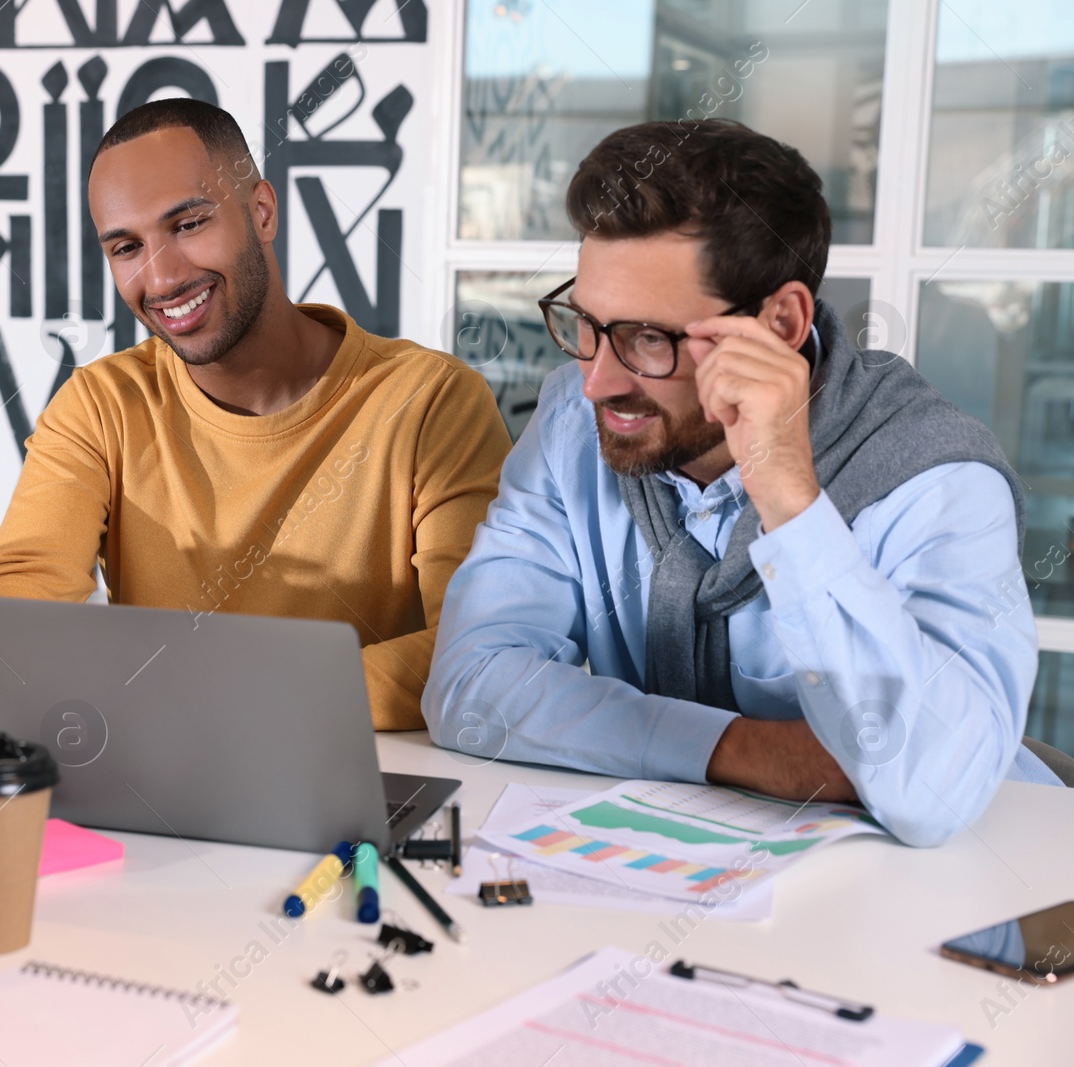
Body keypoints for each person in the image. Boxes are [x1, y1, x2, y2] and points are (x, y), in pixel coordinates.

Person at [423, 119, 1060, 847]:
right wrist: (745, 750)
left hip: (972, 892)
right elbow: (469, 686)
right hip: (705, 878)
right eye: (588, 326)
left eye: (647, 339)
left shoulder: (939, 478)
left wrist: (790, 498)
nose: (597, 380)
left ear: (781, 321)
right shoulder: (573, 421)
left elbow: (932, 792)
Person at [0, 99, 510, 730]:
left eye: (189, 224)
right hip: (163, 777)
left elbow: (479, 652)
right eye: (126, 246)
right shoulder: (102, 404)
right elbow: (19, 601)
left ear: (261, 211)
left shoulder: (431, 401)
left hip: (358, 784)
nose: (162, 276)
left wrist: (226, 702)